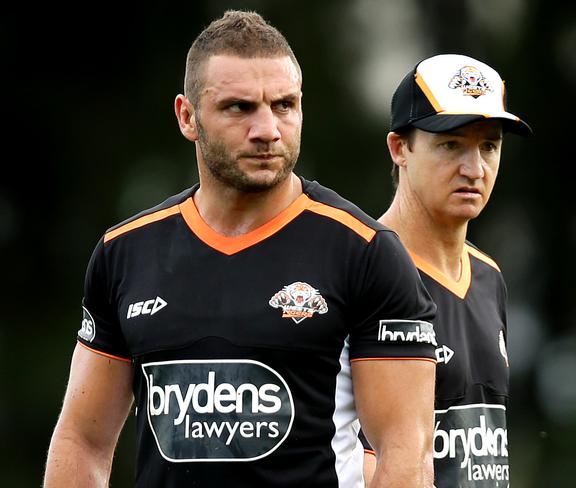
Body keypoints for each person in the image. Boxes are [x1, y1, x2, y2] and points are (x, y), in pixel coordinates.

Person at [43, 10, 439, 488]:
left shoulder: (366, 252)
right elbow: (82, 442)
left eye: (284, 105)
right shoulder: (125, 253)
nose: (268, 129)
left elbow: (406, 458)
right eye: (239, 107)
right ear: (187, 117)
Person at [361, 54, 532, 487]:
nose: (474, 169)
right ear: (399, 148)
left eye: (489, 146)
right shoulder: (360, 269)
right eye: (451, 144)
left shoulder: (489, 276)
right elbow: (346, 454)